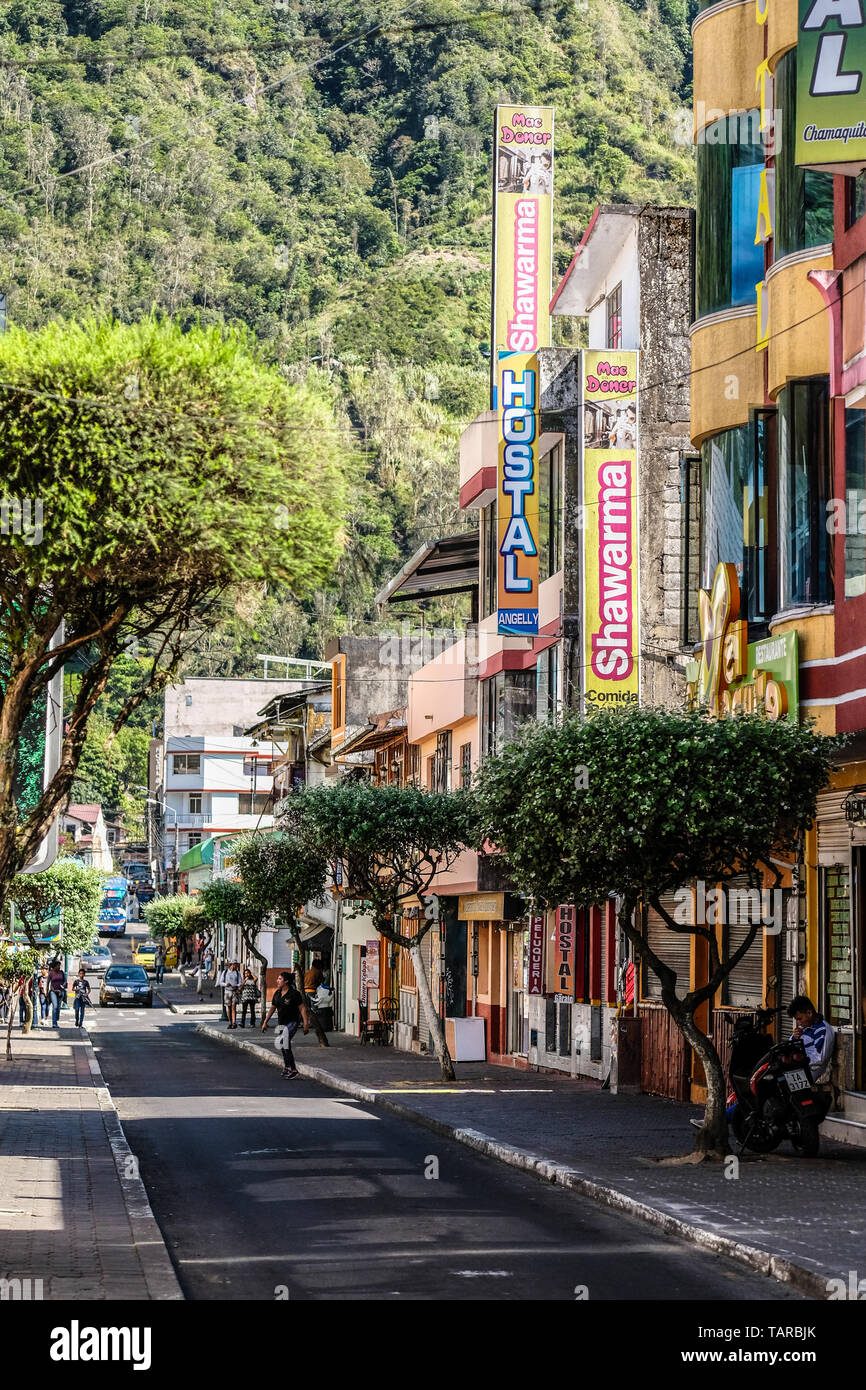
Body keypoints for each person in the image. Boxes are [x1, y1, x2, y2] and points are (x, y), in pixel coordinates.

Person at [261, 971, 311, 1078]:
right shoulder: (277, 994)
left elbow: (302, 1008)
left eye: (280, 979)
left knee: (284, 1042)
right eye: (277, 979)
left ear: (286, 981)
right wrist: (265, 1022)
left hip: (292, 1022)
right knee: (282, 1044)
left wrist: (306, 1023)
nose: (277, 981)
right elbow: (272, 1008)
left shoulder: (294, 994)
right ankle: (287, 1067)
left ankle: (293, 1069)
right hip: (281, 1024)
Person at [787, 995, 836, 1082]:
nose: (798, 1023)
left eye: (799, 1019)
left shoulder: (823, 1029)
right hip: (796, 1068)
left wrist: (800, 1061)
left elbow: (819, 1058)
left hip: (808, 1071)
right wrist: (795, 1037)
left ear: (809, 1013)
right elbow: (789, 1046)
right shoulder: (805, 1028)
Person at [223, 960, 242, 1028]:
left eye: (236, 964)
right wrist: (226, 984)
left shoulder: (237, 973)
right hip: (227, 992)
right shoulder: (225, 972)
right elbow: (220, 982)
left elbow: (240, 982)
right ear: (231, 964)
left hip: (234, 992)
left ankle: (234, 1022)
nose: (236, 966)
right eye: (235, 964)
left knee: (234, 1007)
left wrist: (236, 985)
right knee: (229, 1008)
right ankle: (230, 1022)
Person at [48, 960, 66, 1027]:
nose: (59, 967)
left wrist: (63, 986)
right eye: (58, 966)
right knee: (54, 1006)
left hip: (61, 991)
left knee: (58, 1007)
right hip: (53, 992)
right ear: (54, 966)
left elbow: (65, 981)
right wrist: (48, 991)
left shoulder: (62, 973)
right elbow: (48, 982)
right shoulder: (51, 973)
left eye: (59, 966)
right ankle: (54, 1023)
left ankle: (56, 1019)